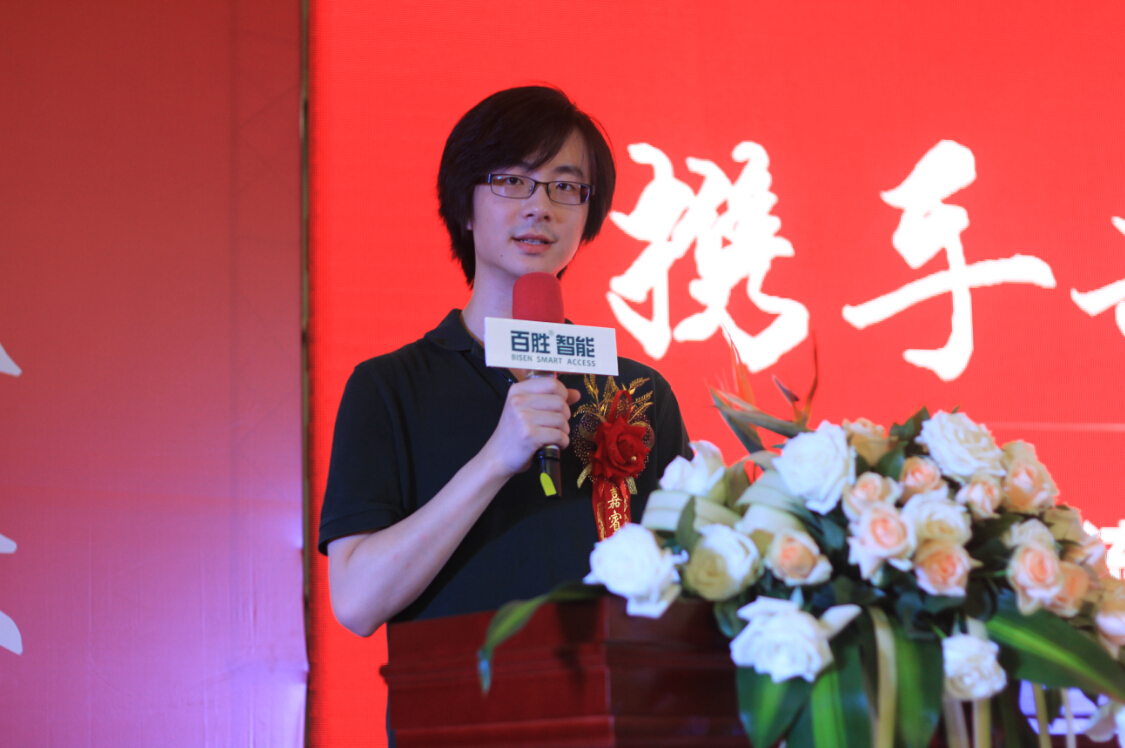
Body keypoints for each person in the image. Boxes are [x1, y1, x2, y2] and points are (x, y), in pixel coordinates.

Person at [318, 86, 691, 640]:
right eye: (512, 181)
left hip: (611, 691)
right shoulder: (389, 387)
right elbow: (356, 602)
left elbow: (688, 576)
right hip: (459, 691)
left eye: (565, 186)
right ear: (463, 207)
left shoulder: (640, 391)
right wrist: (495, 459)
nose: (540, 206)